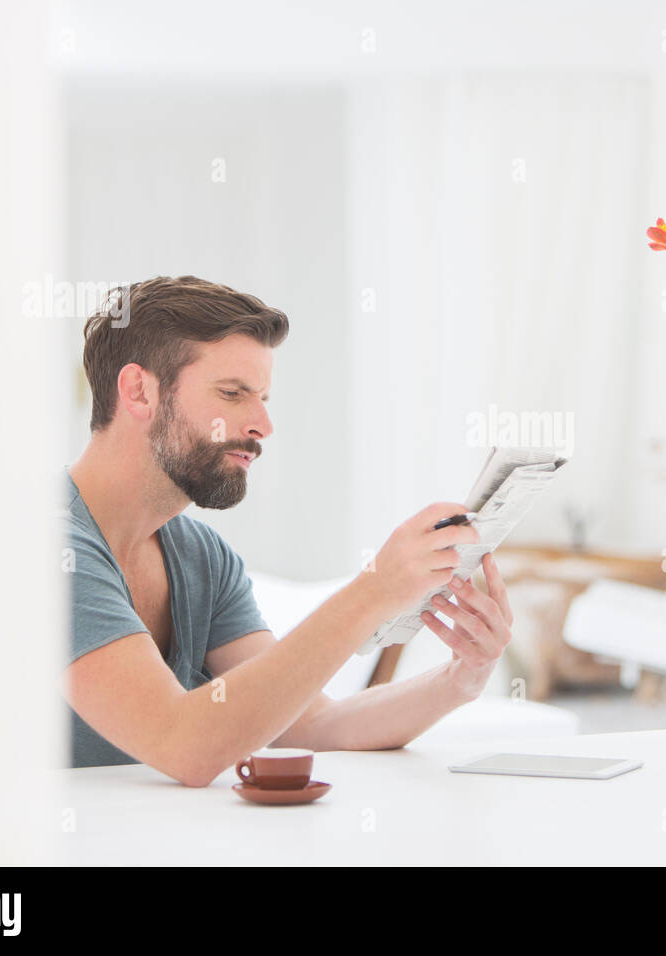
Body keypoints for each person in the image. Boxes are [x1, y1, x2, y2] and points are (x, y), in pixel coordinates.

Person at [62, 275, 512, 785]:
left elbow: (311, 725)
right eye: (232, 394)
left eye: (263, 398)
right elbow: (182, 745)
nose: (262, 425)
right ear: (139, 392)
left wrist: (460, 679)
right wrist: (375, 589)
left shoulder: (200, 556)